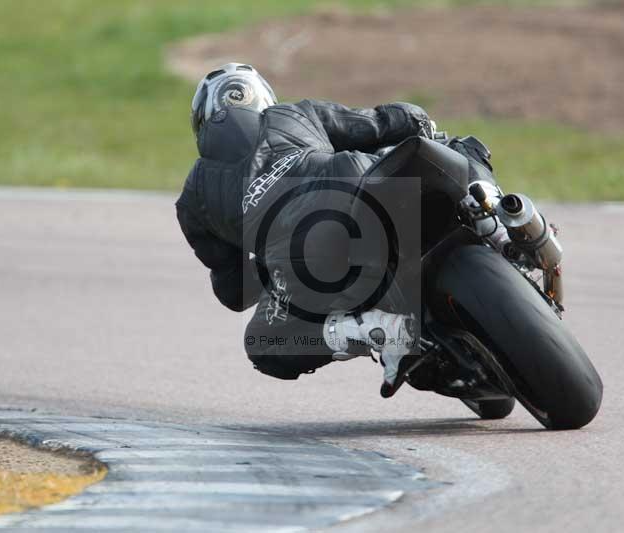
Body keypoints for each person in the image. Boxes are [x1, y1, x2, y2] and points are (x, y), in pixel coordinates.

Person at [176, 63, 505, 397]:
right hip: (357, 185)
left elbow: (234, 292)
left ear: (201, 121)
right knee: (457, 146)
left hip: (304, 261)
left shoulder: (193, 197)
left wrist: (268, 263)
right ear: (263, 99)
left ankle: (370, 329)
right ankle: (500, 219)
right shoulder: (292, 114)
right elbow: (385, 121)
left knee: (262, 343)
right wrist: (420, 122)